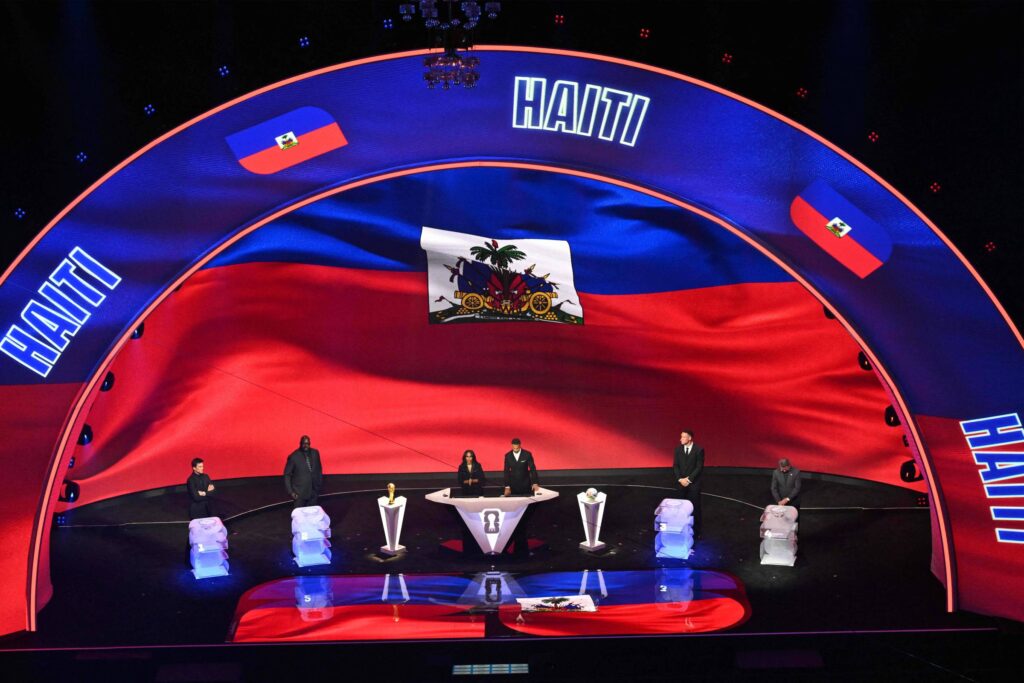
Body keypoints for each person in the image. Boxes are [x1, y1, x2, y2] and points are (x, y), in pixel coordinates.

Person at [503, 438, 540, 557]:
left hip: (525, 485)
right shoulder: (508, 456)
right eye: (514, 446)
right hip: (513, 486)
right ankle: (515, 527)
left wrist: (535, 482)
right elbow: (506, 471)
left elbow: (532, 468)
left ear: (520, 445)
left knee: (525, 508)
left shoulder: (527, 454)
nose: (515, 448)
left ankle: (523, 527)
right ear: (511, 446)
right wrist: (507, 486)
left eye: (517, 446)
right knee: (514, 508)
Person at [672, 429, 705, 538]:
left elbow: (699, 467)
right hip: (681, 483)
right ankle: (681, 529)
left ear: (689, 438)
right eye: (681, 436)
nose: (680, 439)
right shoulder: (677, 449)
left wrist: (689, 479)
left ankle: (697, 532)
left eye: (683, 437)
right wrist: (680, 479)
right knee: (680, 507)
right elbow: (676, 466)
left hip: (693, 483)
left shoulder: (699, 450)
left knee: (695, 507)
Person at [284, 435, 324, 508]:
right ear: (300, 443)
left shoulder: (315, 453)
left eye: (308, 443)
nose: (306, 445)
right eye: (304, 443)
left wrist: (319, 484)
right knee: (299, 514)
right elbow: (287, 475)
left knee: (312, 513)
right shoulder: (294, 457)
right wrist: (291, 492)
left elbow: (319, 469)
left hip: (313, 492)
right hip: (299, 494)